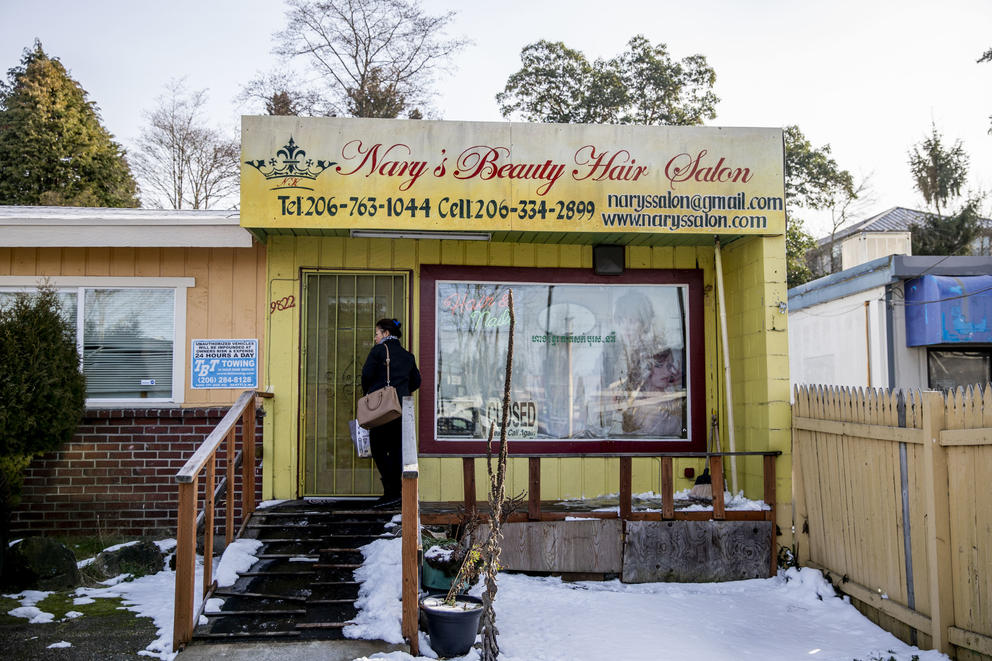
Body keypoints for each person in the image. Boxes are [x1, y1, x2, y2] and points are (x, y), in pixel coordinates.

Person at [361, 318, 421, 509]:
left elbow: (366, 375)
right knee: (396, 450)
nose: (375, 337)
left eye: (377, 333)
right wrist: (400, 391)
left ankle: (391, 492)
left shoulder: (378, 351)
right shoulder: (407, 356)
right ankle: (396, 492)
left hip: (379, 410)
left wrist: (370, 394)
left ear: (386, 333)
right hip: (399, 410)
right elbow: (416, 382)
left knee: (378, 449)